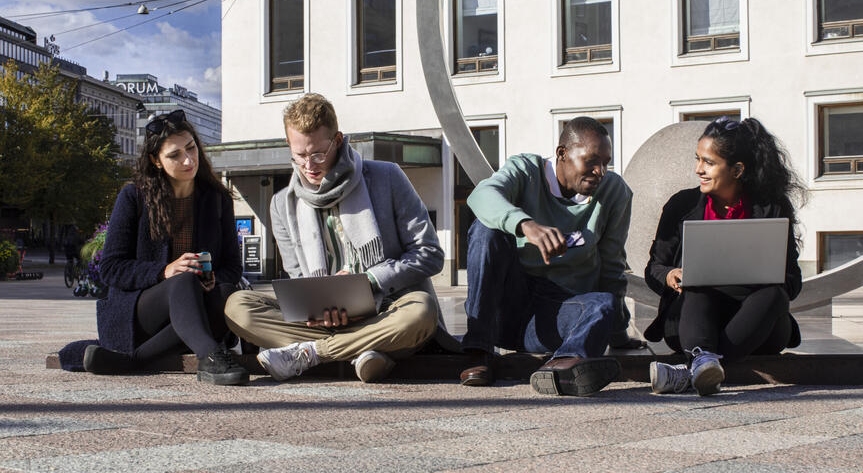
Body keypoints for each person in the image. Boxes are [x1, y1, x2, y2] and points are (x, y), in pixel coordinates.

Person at [224, 93, 442, 383]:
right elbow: (299, 277)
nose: (309, 165)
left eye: (318, 154)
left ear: (338, 141)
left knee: (421, 310)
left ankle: (311, 353)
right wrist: (319, 307)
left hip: (387, 309)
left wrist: (369, 282)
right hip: (323, 322)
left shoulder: (387, 177)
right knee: (238, 306)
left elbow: (429, 253)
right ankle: (366, 349)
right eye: (299, 155)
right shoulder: (281, 204)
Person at [460, 117, 633, 396]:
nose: (599, 170)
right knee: (485, 229)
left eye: (605, 162)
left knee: (603, 303)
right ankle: (478, 351)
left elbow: (612, 264)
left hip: (556, 312)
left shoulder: (614, 192)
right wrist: (525, 224)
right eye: (591, 160)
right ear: (562, 153)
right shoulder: (525, 170)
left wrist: (619, 332)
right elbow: (481, 195)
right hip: (505, 306)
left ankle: (562, 367)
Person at [83, 109, 248, 386]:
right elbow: (110, 268)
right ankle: (210, 356)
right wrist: (164, 271)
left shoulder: (217, 198)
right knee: (183, 280)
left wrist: (214, 279)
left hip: (191, 316)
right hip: (142, 312)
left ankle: (135, 361)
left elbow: (233, 265)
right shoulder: (134, 196)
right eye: (174, 155)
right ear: (155, 161)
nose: (188, 159)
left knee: (228, 293)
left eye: (191, 148)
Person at [645, 117, 805, 396]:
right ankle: (701, 364)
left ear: (737, 169)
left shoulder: (771, 207)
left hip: (755, 324)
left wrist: (765, 275)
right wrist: (670, 275)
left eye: (708, 162)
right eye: (698, 160)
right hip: (694, 318)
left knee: (775, 295)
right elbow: (654, 268)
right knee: (696, 286)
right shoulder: (681, 204)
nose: (698, 170)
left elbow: (793, 282)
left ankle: (691, 370)